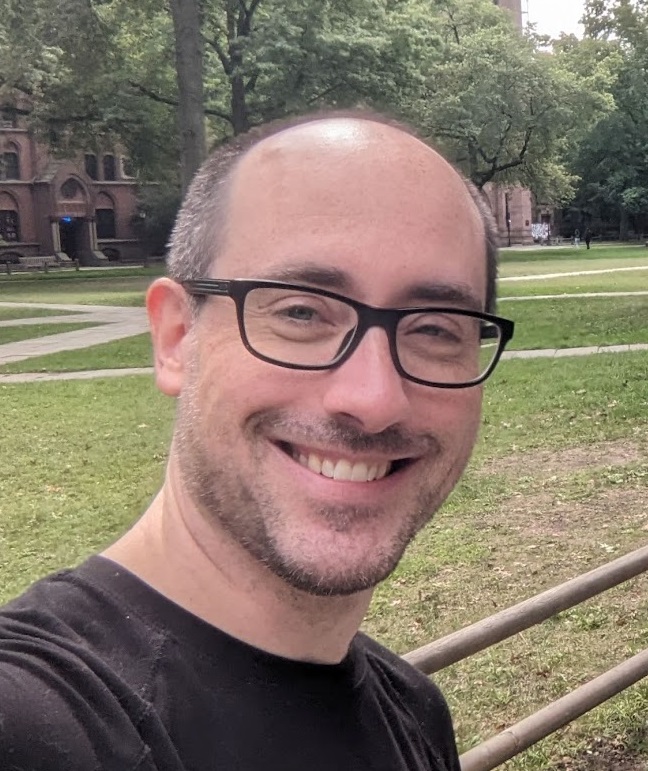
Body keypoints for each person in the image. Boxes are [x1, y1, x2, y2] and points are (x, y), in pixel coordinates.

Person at [0, 111, 514, 770]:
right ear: (176, 338)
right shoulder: (37, 721)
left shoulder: (412, 710)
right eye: (300, 311)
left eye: (437, 328)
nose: (374, 399)